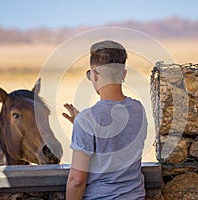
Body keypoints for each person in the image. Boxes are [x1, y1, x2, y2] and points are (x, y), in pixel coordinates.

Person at [62, 40, 147, 200]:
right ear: (123, 74)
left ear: (94, 74)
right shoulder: (138, 110)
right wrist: (81, 124)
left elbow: (77, 180)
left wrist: (83, 124)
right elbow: (117, 139)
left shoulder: (87, 120)